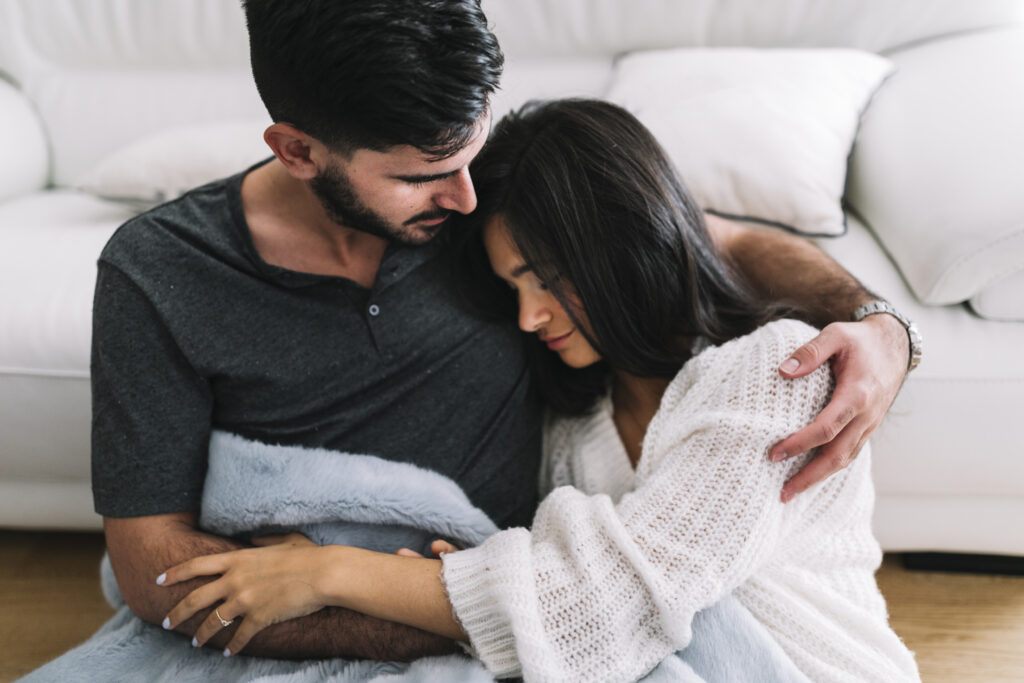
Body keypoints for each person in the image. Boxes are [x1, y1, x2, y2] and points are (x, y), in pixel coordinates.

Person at [95, 0, 916, 662]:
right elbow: (153, 567)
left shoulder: (505, 200)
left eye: (470, 149)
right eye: (422, 178)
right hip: (459, 606)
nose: (463, 200)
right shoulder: (159, 270)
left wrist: (879, 327)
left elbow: (694, 237)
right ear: (299, 152)